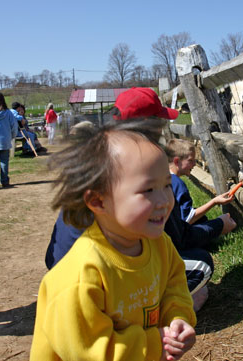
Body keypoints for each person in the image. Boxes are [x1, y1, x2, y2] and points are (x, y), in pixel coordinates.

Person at [31, 120, 196, 361]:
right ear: (98, 201)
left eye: (167, 186)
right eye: (148, 190)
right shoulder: (81, 276)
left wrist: (177, 318)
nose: (164, 201)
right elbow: (90, 351)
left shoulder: (159, 244)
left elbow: (175, 284)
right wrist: (154, 346)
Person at [166, 138, 236, 228]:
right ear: (177, 161)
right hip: (178, 236)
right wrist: (214, 202)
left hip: (168, 231)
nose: (195, 164)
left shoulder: (164, 177)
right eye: (191, 160)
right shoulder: (178, 184)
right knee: (222, 222)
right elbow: (187, 219)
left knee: (202, 219)